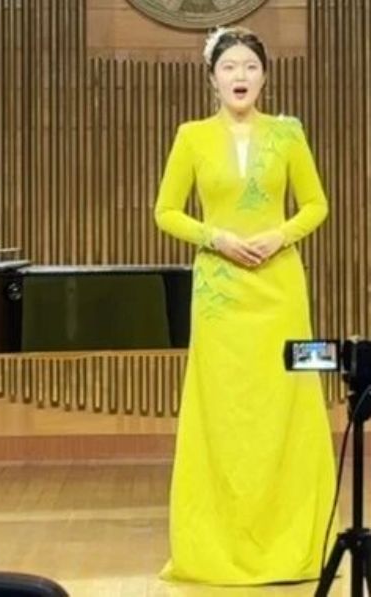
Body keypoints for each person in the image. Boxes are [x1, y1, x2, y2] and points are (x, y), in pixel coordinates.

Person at [154, 27, 336, 584]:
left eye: (250, 67)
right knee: (224, 412)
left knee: (287, 404)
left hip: (280, 290)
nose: (240, 76)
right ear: (212, 78)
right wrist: (217, 238)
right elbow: (166, 211)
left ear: (264, 77)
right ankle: (217, 545)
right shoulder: (191, 136)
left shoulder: (288, 134)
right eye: (230, 67)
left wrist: (279, 236)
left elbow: (316, 205)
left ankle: (291, 540)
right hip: (220, 293)